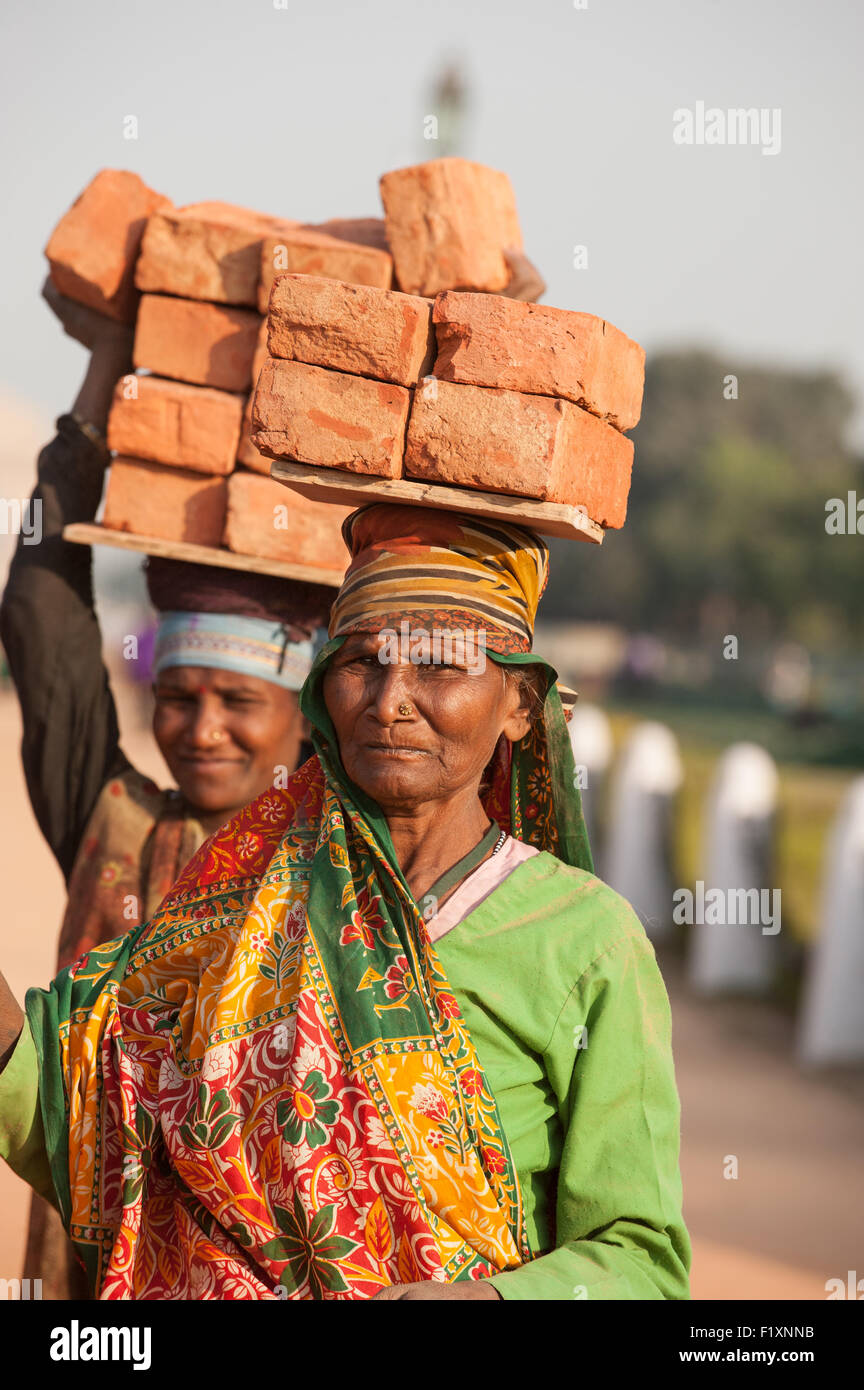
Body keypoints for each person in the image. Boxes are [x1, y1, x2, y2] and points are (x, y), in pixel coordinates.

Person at [0, 503, 690, 1300]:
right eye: (362, 661)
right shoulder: (243, 895)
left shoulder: (585, 939)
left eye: (438, 664)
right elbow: (82, 1102)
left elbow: (640, 1256)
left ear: (520, 706)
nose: (390, 699)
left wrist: (485, 1298)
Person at [0, 283, 335, 1295]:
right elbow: (41, 613)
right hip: (106, 1271)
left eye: (239, 701)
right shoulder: (117, 822)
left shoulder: (350, 848)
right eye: (179, 698)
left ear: (304, 711)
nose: (200, 730)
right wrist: (104, 374)